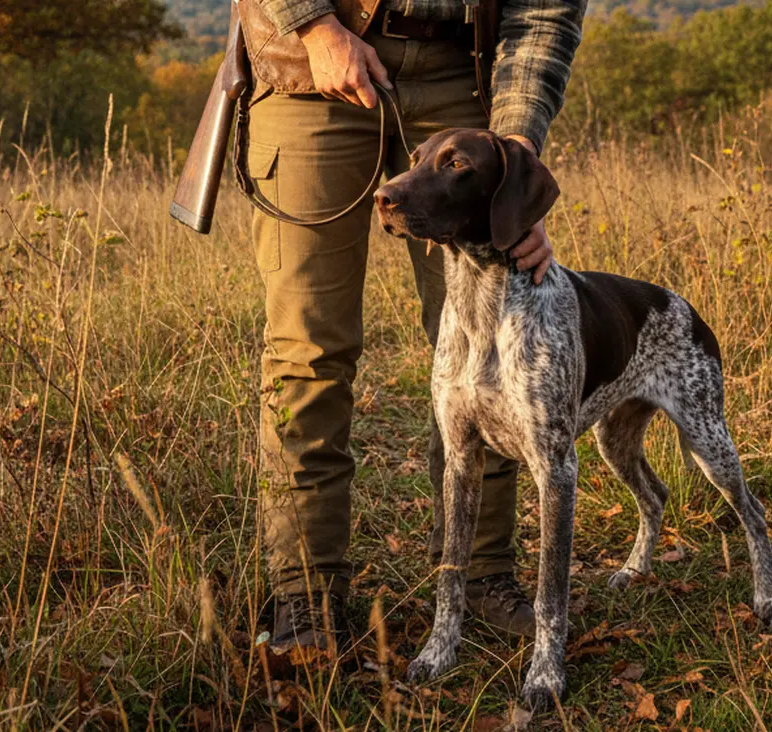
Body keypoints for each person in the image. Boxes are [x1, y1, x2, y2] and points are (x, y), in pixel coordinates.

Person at [243, 0, 586, 653]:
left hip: (465, 74)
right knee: (307, 349)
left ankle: (480, 578)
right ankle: (306, 597)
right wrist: (315, 27)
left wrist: (514, 159)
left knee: (497, 343)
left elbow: (545, 8)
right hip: (304, 64)